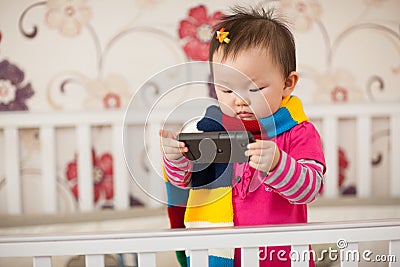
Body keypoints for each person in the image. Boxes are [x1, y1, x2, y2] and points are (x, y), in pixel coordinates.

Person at [159, 5, 326, 267]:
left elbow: (309, 189)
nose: (239, 101)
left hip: (279, 258)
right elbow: (184, 181)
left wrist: (278, 164)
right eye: (226, 90)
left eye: (256, 88)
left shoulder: (298, 132)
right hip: (217, 255)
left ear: (287, 83)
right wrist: (175, 158)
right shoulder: (209, 128)